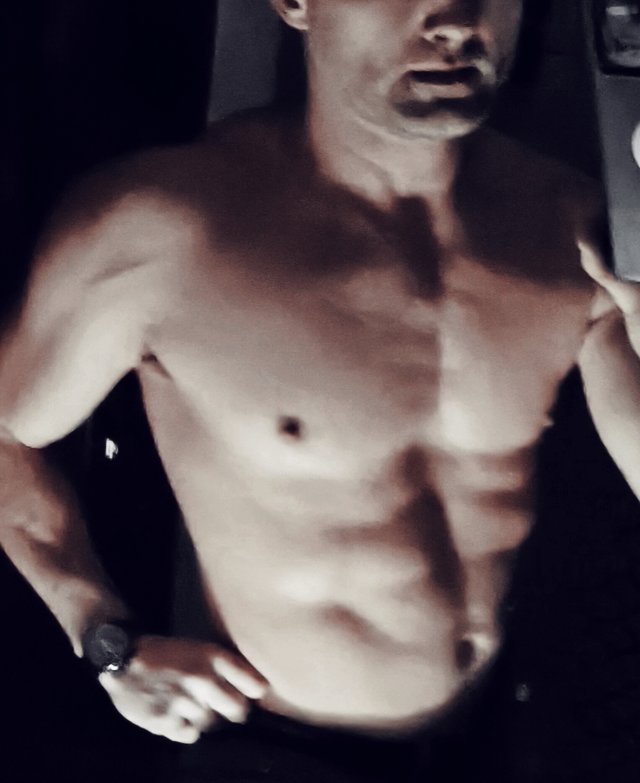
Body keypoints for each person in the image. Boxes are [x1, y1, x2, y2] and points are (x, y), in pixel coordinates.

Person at [0, 0, 639, 780]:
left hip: (504, 735)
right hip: (280, 751)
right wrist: (106, 638)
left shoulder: (570, 225)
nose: (455, 17)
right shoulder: (163, 229)